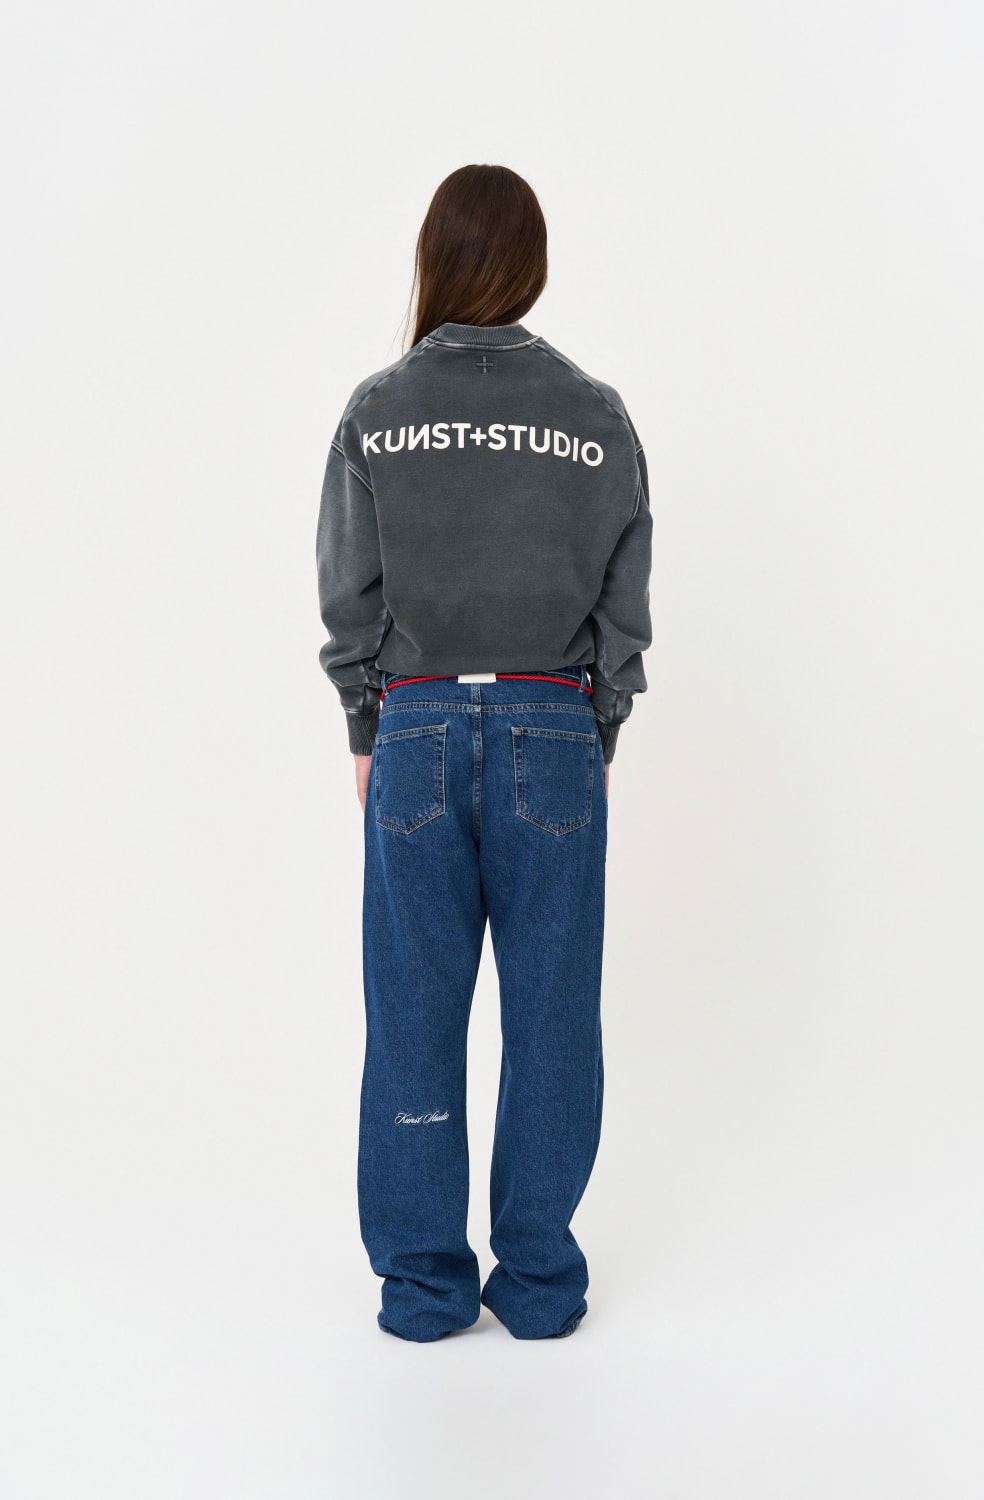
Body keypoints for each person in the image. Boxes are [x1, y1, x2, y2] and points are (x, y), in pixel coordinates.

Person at [315, 163, 653, 1342]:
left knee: (412, 1015)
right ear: (532, 265)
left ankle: (422, 1292)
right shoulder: (595, 413)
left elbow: (349, 597)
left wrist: (369, 727)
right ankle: (542, 1285)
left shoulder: (378, 409)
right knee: (552, 1016)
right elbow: (624, 603)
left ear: (433, 259)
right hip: (552, 726)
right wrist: (593, 728)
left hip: (413, 727)